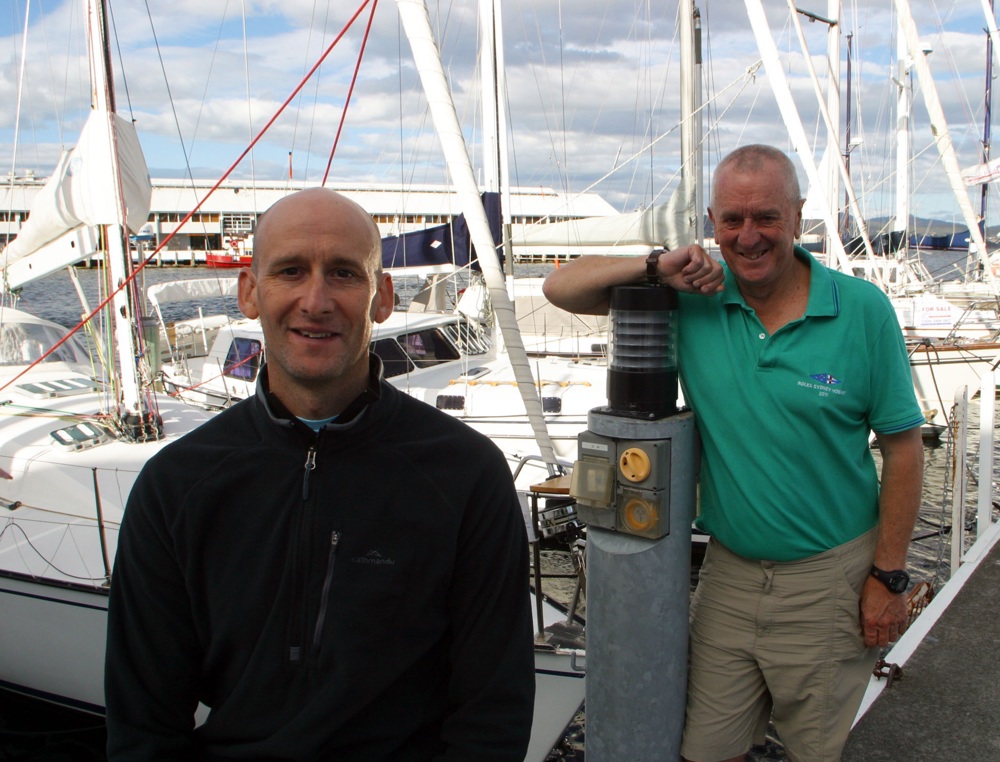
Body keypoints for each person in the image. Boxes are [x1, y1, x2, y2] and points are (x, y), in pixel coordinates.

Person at [105, 188, 535, 761]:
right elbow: (143, 724)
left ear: (382, 297)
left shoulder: (465, 475)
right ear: (250, 293)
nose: (316, 300)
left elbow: (491, 712)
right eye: (290, 271)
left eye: (343, 274)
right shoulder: (176, 486)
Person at [543, 144, 925, 762]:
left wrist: (888, 576)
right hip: (729, 575)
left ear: (797, 217)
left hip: (829, 577)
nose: (749, 236)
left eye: (766, 217)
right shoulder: (692, 301)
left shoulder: (860, 311)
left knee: (816, 751)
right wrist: (659, 264)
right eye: (732, 220)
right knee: (705, 750)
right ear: (713, 224)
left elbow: (905, 451)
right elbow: (560, 287)